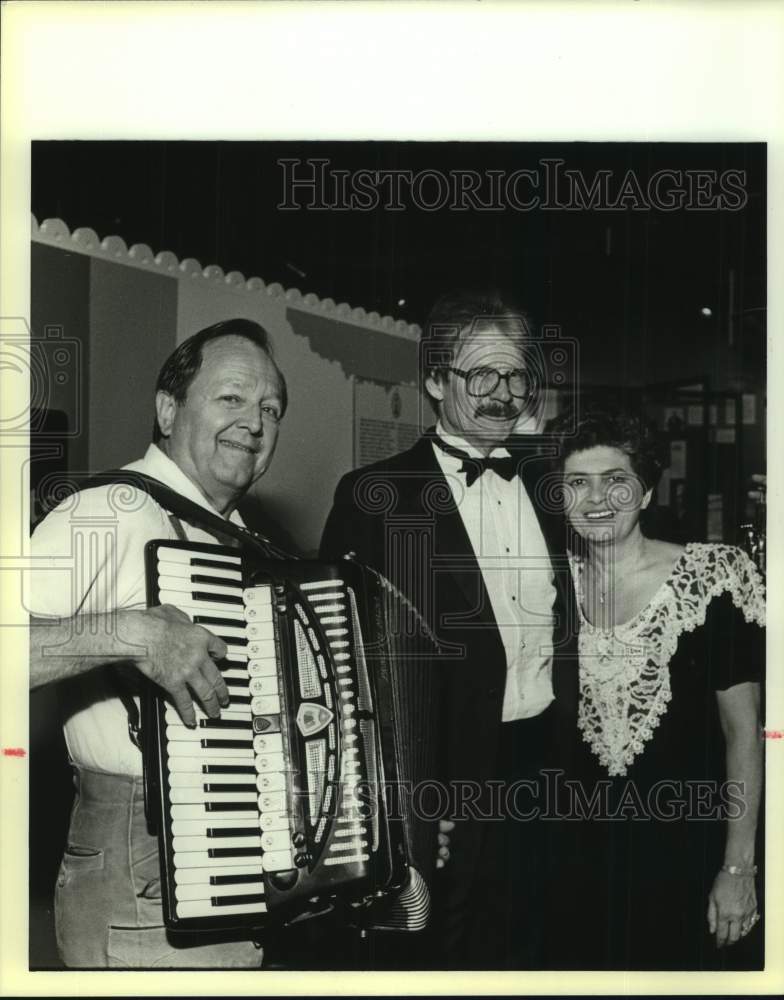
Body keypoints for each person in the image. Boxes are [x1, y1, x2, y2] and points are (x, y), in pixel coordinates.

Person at [319, 289, 578, 969]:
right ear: (434, 380)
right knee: (439, 954)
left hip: (540, 767)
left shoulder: (548, 485)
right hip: (438, 783)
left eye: (517, 374)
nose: (504, 394)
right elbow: (340, 664)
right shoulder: (375, 496)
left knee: (534, 944)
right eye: (481, 375)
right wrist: (394, 812)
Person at [29, 318, 287, 968]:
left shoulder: (242, 537)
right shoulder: (108, 510)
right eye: (231, 398)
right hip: (139, 855)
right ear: (168, 409)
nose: (254, 423)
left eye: (270, 408)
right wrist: (132, 632)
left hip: (230, 856)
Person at [546, 406, 765, 971]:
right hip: (576, 860)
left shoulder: (714, 577)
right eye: (578, 483)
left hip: (689, 853)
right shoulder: (548, 587)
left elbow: (745, 733)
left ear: (645, 493)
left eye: (616, 481)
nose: (597, 499)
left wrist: (738, 869)